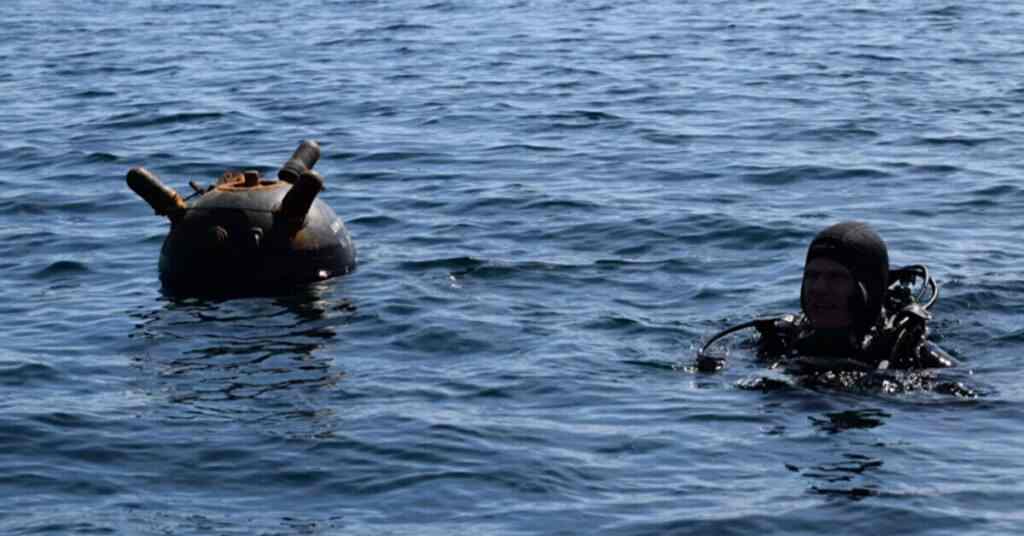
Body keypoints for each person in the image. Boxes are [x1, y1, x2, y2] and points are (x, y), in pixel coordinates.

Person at [697, 221, 955, 373]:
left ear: (868, 287)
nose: (818, 288)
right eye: (812, 275)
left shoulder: (910, 353)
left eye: (836, 277)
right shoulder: (783, 339)